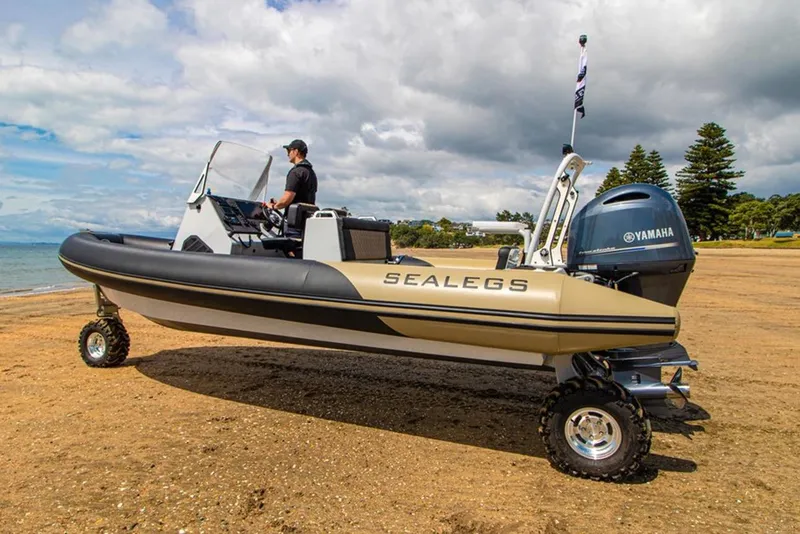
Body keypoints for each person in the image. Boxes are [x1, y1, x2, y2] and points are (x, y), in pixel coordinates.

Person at [265, 139, 317, 216]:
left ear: (296, 151)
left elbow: (287, 198)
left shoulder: (295, 172)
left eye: (289, 151)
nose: (288, 154)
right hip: (306, 220)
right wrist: (279, 203)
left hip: (294, 222)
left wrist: (273, 206)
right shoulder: (311, 172)